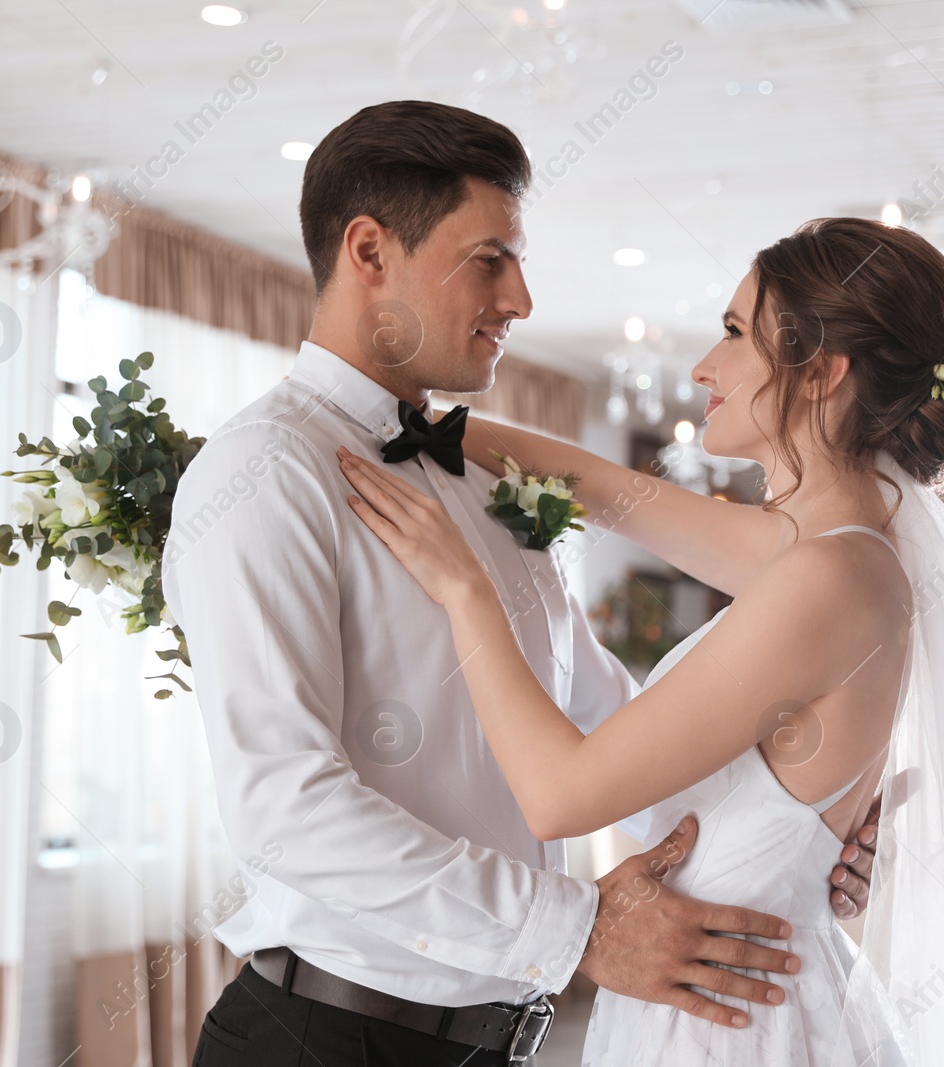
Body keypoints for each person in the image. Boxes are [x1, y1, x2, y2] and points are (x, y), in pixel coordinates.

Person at [164, 101, 876, 1067]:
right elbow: (285, 809)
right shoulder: (263, 472)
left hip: (500, 1044)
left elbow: (602, 720)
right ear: (369, 253)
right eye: (490, 258)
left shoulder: (487, 480)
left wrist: (797, 813)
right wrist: (577, 928)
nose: (522, 299)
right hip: (323, 1040)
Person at [337, 216, 944, 1064]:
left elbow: (560, 795)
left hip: (731, 1017)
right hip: (723, 990)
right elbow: (605, 486)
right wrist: (411, 428)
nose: (703, 367)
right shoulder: (826, 550)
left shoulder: (830, 579)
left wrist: (465, 590)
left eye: (732, 333)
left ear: (821, 371)